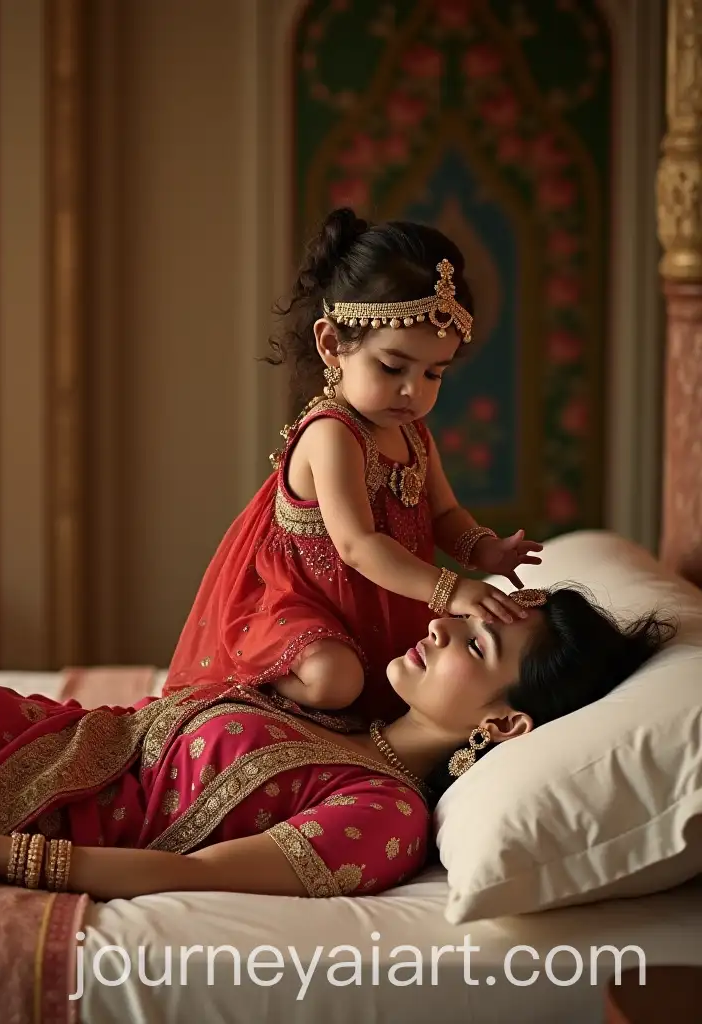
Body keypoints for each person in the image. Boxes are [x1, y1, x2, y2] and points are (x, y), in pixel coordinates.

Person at [0, 586, 672, 1023]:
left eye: (476, 645)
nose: (443, 625)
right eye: (461, 612)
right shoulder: (351, 690)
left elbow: (188, 874)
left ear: (501, 730)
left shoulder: (380, 814)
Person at [162, 209, 543, 723]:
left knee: (389, 686)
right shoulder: (332, 433)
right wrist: (453, 589)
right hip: (301, 603)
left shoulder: (412, 433)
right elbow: (356, 546)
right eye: (392, 367)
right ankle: (254, 681)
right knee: (335, 680)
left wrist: (484, 549)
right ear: (332, 345)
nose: (414, 390)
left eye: (434, 373)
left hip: (370, 606)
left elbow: (445, 514)